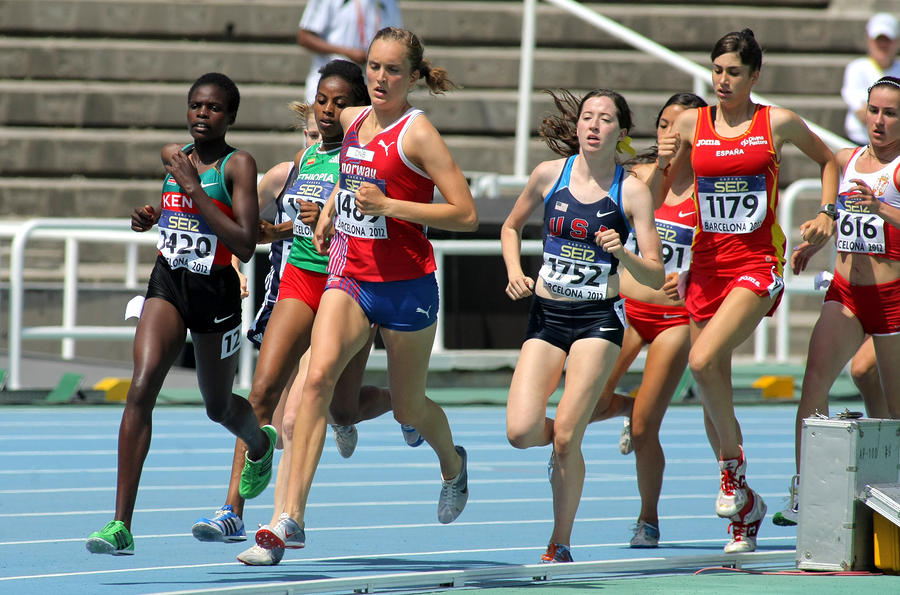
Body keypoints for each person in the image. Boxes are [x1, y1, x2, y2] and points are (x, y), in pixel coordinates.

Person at [253, 27, 478, 556]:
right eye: (374, 67)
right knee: (316, 382)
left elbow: (465, 214)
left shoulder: (418, 134)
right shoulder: (355, 120)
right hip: (351, 276)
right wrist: (333, 210)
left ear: (414, 78)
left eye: (393, 70)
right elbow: (345, 174)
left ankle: (453, 463)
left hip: (406, 287)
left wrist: (391, 207)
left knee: (408, 408)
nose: (380, 78)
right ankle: (288, 519)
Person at [658, 29, 839, 553]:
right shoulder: (693, 123)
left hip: (756, 264)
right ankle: (747, 511)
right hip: (706, 266)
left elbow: (828, 160)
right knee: (713, 390)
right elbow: (655, 187)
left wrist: (827, 212)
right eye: (716, 70)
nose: (722, 81)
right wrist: (666, 156)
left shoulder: (774, 122)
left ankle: (732, 473)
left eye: (733, 72)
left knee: (702, 358)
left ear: (753, 75)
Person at [86, 72, 277, 556]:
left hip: (215, 294)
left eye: (213, 108)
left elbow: (244, 243)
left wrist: (194, 191)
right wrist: (155, 214)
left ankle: (259, 445)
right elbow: (179, 204)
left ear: (230, 117)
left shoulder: (238, 165)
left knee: (218, 407)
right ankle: (120, 525)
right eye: (195, 105)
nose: (201, 114)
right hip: (168, 280)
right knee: (142, 384)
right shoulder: (175, 158)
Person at [503, 88, 665, 564]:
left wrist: (622, 252)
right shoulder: (548, 175)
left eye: (605, 119)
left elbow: (654, 272)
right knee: (520, 430)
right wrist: (516, 271)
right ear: (577, 126)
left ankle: (560, 541)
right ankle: (580, 427)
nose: (594, 125)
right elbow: (510, 227)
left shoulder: (631, 189)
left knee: (568, 437)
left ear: (621, 133)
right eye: (587, 117)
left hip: (598, 319)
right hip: (548, 316)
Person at [775, 75, 900, 526]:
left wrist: (881, 207)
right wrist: (816, 236)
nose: (880, 121)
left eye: (891, 113)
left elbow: (877, 213)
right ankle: (806, 487)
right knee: (814, 379)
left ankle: (893, 493)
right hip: (845, 291)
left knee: (894, 402)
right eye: (874, 111)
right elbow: (838, 214)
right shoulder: (847, 160)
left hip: (891, 298)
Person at [588, 92, 708, 549]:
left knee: (644, 431)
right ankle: (629, 408)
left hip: (676, 319)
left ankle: (648, 518)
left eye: (680, 129)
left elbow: (720, 256)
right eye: (662, 125)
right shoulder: (639, 178)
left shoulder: (707, 189)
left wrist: (693, 277)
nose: (669, 136)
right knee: (590, 404)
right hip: (631, 309)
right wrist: (660, 165)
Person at [297, 0, 402, 104]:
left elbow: (397, 40)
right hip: (329, 83)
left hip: (366, 86)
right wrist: (348, 52)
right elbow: (304, 37)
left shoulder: (390, 2)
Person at [842, 13, 900, 146]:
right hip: (859, 143)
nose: (883, 45)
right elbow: (862, 114)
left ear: (897, 41)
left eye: (888, 40)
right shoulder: (856, 68)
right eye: (878, 39)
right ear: (869, 39)